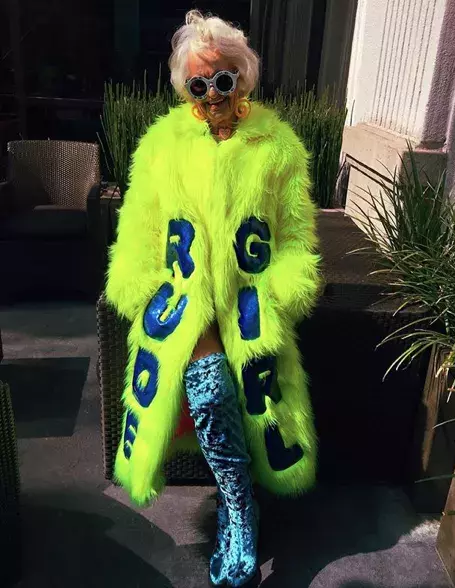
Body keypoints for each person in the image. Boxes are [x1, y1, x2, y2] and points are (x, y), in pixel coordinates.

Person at [106, 10, 321, 588]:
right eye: (199, 84)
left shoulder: (278, 146)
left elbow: (297, 237)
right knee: (209, 386)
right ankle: (239, 505)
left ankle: (240, 502)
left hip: (250, 301)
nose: (213, 94)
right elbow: (137, 231)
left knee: (253, 384)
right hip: (185, 299)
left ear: (242, 78)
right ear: (186, 88)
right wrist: (141, 285)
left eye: (223, 79)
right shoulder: (161, 145)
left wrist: (281, 292)